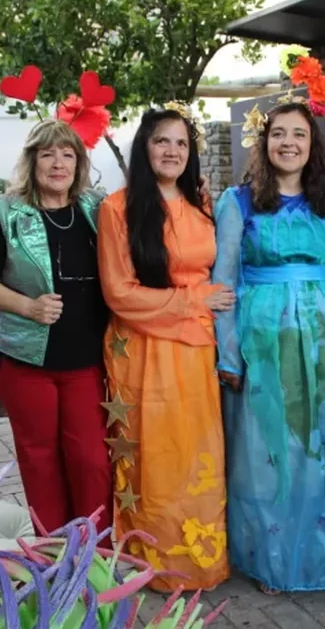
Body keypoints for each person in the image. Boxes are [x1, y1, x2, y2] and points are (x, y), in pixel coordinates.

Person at [213, 102, 325, 594]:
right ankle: (275, 560)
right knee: (271, 451)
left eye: (299, 134)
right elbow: (222, 279)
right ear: (264, 143)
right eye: (278, 134)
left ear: (312, 144)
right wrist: (228, 352)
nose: (288, 143)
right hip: (265, 338)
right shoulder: (237, 202)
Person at [98, 106, 233, 592]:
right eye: (161, 141)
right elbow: (119, 292)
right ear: (144, 148)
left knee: (197, 453)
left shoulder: (202, 201)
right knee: (154, 457)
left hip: (196, 347)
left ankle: (199, 559)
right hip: (144, 351)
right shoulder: (118, 208)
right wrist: (194, 298)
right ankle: (150, 559)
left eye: (180, 142)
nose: (172, 151)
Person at [0, 119, 111, 534]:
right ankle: (52, 552)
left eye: (67, 154)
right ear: (32, 161)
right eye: (48, 154)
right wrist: (27, 306)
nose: (58, 163)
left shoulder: (96, 209)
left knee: (91, 459)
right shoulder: (7, 212)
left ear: (79, 163)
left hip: (86, 360)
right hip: (25, 359)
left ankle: (94, 547)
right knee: (41, 459)